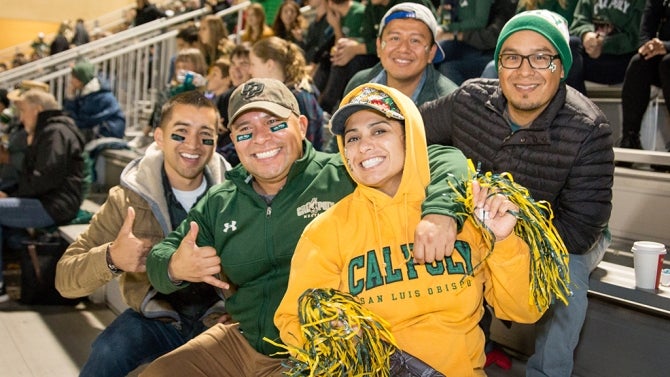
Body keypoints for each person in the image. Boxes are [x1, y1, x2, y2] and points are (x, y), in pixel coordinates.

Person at [139, 77, 466, 376]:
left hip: (315, 354)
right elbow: (161, 256)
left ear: (302, 125)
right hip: (242, 341)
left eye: (274, 124)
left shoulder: (346, 170)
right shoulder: (220, 200)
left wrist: (441, 211)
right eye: (245, 131)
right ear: (234, 142)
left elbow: (438, 157)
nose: (260, 139)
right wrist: (174, 266)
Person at [275, 82, 545, 376]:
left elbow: (523, 311)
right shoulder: (326, 231)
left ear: (410, 137)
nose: (364, 146)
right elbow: (292, 320)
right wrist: (332, 337)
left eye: (380, 131)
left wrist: (503, 241)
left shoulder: (465, 212)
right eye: (352, 138)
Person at [420, 10, 614, 377]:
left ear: (561, 67)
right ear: (499, 63)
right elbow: (410, 134)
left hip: (564, 235)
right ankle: (470, 353)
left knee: (566, 279)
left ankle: (547, 372)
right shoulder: (469, 99)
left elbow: (581, 230)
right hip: (485, 220)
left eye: (542, 57)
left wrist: (509, 231)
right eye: (512, 57)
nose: (525, 71)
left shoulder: (589, 127)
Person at [55, 91, 232, 376]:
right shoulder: (127, 199)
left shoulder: (236, 195)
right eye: (180, 133)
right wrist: (111, 257)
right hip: (155, 317)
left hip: (219, 320)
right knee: (107, 352)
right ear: (159, 137)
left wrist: (240, 310)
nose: (193, 145)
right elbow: (65, 278)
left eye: (205, 135)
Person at [0, 89, 87, 303]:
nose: (20, 118)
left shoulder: (55, 132)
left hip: (54, 204)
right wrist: (9, 193)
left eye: (23, 111)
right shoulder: (50, 130)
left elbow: (44, 178)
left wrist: (11, 194)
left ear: (37, 109)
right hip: (47, 200)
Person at [345, 2, 457, 106]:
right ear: (379, 47)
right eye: (395, 38)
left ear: (431, 53)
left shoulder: (448, 103)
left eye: (415, 40)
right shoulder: (358, 86)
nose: (403, 48)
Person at [249, 36, 326, 150]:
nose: (250, 71)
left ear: (269, 65)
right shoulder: (285, 95)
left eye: (252, 64)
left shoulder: (298, 97)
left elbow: (303, 148)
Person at [619, 0, 670, 151]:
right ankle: (630, 137)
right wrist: (648, 45)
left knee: (668, 64)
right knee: (639, 63)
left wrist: (666, 46)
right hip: (662, 53)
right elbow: (647, 23)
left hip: (667, 55)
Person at [565, 0, 644, 95]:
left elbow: (636, 37)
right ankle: (578, 107)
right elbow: (578, 23)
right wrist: (586, 34)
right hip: (591, 59)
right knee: (571, 45)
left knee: (640, 59)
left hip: (624, 63)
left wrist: (604, 44)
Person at [436, 0, 517, 85]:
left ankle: (463, 97)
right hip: (467, 43)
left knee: (447, 67)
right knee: (435, 50)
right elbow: (446, 19)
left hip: (487, 51)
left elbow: (489, 36)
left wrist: (452, 32)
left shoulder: (505, 5)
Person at [63, 58, 126, 143]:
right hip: (96, 132)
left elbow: (83, 120)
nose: (71, 81)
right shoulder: (87, 93)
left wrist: (71, 99)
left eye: (74, 77)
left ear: (82, 78)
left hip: (108, 132)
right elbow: (73, 116)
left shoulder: (99, 96)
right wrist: (70, 97)